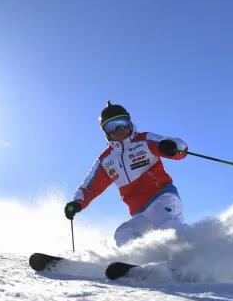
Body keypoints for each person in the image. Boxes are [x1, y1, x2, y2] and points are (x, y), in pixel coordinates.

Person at [65, 102, 188, 246]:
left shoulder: (144, 140)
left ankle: (196, 251)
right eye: (111, 126)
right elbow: (90, 187)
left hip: (162, 198)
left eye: (121, 123)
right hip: (140, 212)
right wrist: (77, 202)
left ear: (129, 122)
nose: (118, 129)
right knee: (124, 234)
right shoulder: (107, 159)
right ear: (105, 131)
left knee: (167, 229)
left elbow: (179, 149)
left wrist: (172, 147)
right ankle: (146, 264)